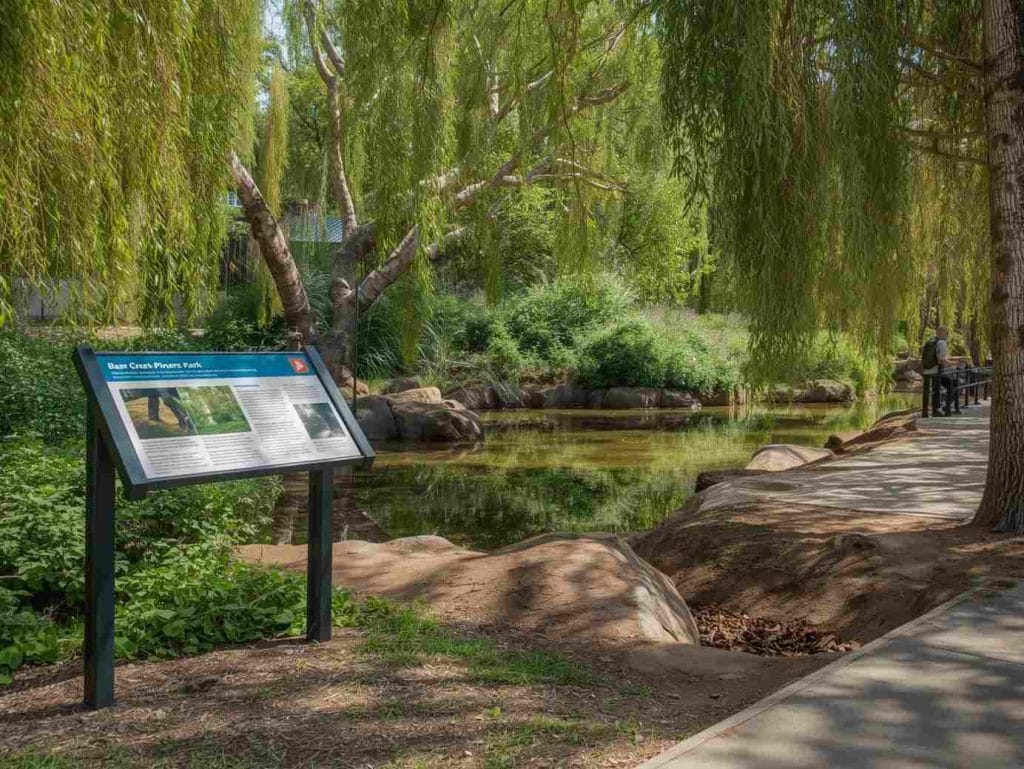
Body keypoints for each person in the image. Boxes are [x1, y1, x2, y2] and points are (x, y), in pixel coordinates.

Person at [921, 326, 960, 416]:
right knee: (939, 389)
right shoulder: (942, 342)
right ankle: (938, 410)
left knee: (926, 391)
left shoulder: (930, 341)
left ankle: (925, 412)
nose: (947, 335)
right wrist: (955, 364)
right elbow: (942, 360)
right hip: (935, 370)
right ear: (942, 333)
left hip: (926, 370)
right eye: (947, 333)